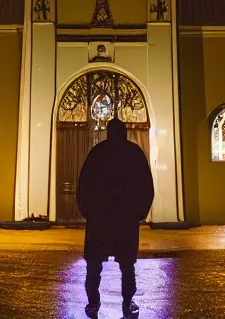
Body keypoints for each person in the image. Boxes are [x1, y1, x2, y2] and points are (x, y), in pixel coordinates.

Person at [77, 118, 154, 319]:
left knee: (94, 267)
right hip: (125, 220)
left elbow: (83, 185)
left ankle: (93, 304)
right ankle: (128, 304)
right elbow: (147, 187)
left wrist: (87, 212)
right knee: (127, 267)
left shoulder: (98, 152)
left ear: (108, 132)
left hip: (99, 220)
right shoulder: (134, 153)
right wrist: (139, 213)